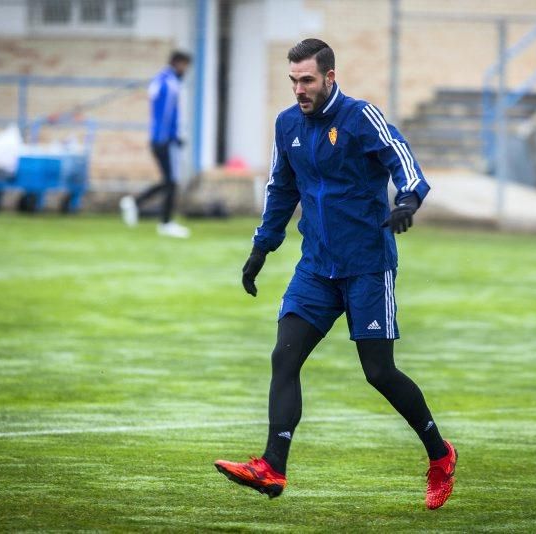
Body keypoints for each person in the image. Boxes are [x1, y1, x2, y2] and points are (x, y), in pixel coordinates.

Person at [213, 38, 457, 510]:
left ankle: (440, 454)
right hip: (317, 268)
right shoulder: (287, 126)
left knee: (379, 372)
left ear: (329, 76)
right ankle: (272, 466)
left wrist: (408, 198)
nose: (299, 89)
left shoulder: (361, 117)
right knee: (284, 358)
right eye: (293, 81)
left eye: (307, 80)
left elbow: (402, 159)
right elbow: (281, 189)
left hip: (367, 265)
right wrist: (261, 248)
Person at [120, 50, 192, 238]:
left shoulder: (162, 80)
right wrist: (170, 137)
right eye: (185, 65)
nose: (186, 70)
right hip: (165, 139)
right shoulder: (169, 83)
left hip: (160, 138)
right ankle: (165, 222)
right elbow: (166, 114)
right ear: (177, 63)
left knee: (169, 181)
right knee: (172, 181)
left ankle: (136, 203)